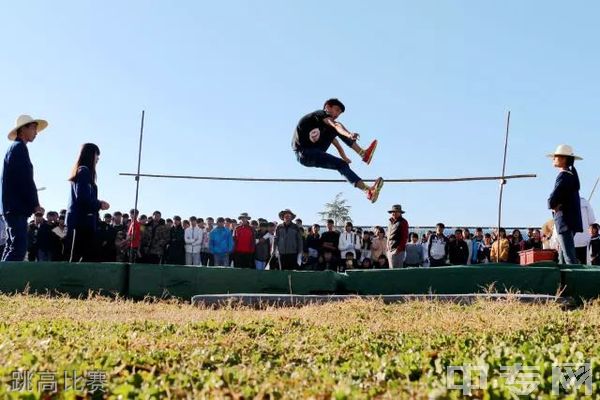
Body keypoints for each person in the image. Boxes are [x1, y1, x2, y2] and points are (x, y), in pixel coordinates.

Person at [292, 98, 384, 203]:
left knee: (342, 163)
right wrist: (349, 134)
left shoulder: (327, 128)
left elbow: (337, 145)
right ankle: (363, 157)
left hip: (315, 152)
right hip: (303, 152)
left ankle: (368, 187)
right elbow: (336, 125)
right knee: (336, 127)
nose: (336, 115)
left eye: (339, 113)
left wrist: (344, 157)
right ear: (327, 107)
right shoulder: (318, 114)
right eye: (336, 110)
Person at [2, 115, 47, 261]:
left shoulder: (14, 148)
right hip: (16, 208)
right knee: (18, 248)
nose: (36, 132)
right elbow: (25, 180)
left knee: (12, 246)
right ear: (23, 129)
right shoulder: (19, 149)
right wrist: (35, 204)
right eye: (33, 128)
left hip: (11, 207)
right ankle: (5, 282)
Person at [65, 143, 110, 262]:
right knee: (79, 257)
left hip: (83, 224)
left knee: (83, 257)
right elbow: (82, 198)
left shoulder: (84, 173)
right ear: (90, 155)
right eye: (96, 155)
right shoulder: (83, 172)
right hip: (81, 223)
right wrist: (99, 204)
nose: (97, 159)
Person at [547, 144, 583, 264]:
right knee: (563, 257)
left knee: (568, 257)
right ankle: (564, 282)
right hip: (569, 220)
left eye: (556, 156)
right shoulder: (571, 175)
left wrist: (551, 205)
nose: (553, 159)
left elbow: (553, 198)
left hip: (564, 220)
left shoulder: (564, 176)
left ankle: (573, 281)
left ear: (563, 159)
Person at [574, 197, 596, 265]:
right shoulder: (585, 202)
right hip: (584, 239)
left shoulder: (565, 201)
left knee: (571, 265)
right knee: (583, 264)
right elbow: (592, 220)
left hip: (570, 239)